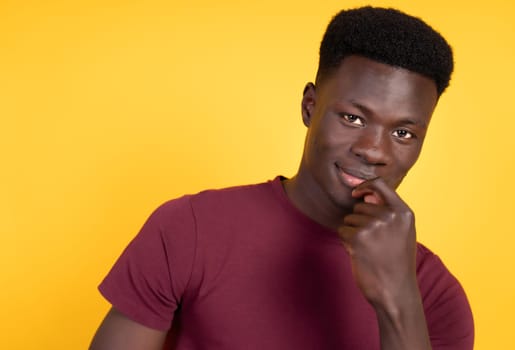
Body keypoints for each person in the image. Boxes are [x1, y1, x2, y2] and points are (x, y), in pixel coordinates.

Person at [90, 6, 474, 350]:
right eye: (353, 118)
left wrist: (398, 299)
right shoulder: (190, 229)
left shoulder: (437, 298)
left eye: (403, 133)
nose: (374, 150)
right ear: (310, 106)